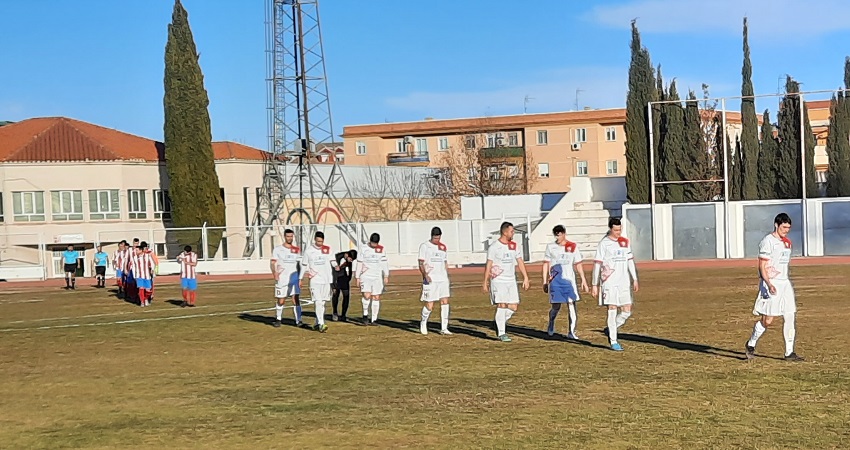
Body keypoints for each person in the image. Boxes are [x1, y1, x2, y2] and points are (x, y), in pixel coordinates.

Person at [745, 213, 804, 361]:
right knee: (768, 320)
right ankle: (751, 343)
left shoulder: (787, 243)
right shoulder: (767, 241)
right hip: (772, 283)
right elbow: (762, 265)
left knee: (790, 315)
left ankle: (789, 352)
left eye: (788, 228)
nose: (786, 230)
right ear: (776, 225)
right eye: (784, 227)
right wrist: (768, 283)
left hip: (785, 283)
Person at [591, 217, 639, 352]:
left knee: (626, 311)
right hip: (609, 282)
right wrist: (595, 284)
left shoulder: (625, 242)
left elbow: (630, 261)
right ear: (610, 229)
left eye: (620, 229)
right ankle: (613, 340)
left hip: (624, 282)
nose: (618, 232)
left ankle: (611, 328)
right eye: (616, 230)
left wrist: (634, 278)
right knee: (612, 308)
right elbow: (597, 263)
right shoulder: (604, 244)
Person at [483, 222, 530, 342]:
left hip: (511, 280)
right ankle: (502, 333)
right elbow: (488, 264)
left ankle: (499, 323)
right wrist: (485, 281)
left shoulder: (514, 246)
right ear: (505, 232)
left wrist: (525, 277)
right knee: (502, 304)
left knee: (513, 307)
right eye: (511, 231)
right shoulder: (494, 247)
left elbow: (519, 261)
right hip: (498, 280)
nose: (513, 233)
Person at [542, 225, 589, 339]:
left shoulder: (572, 246)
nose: (558, 236)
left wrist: (583, 280)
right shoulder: (550, 247)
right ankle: (551, 323)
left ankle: (571, 331)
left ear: (564, 233)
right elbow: (546, 263)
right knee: (556, 307)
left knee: (571, 304)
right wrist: (545, 281)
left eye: (560, 234)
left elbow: (578, 264)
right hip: (555, 281)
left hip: (569, 281)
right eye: (556, 234)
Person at [418, 226, 452, 335]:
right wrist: (425, 275)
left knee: (445, 302)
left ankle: (444, 327)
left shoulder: (443, 247)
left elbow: (445, 262)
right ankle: (423, 322)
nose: (437, 240)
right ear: (432, 236)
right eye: (435, 238)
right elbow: (420, 263)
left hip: (442, 279)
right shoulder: (425, 246)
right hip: (431, 279)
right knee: (430, 304)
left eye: (438, 238)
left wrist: (446, 274)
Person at [300, 231, 336, 332]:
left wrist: (336, 266)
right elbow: (304, 265)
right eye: (318, 241)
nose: (319, 243)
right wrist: (300, 278)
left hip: (326, 279)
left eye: (321, 241)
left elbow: (332, 260)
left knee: (323, 303)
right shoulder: (309, 251)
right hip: (315, 279)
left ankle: (317, 322)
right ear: (315, 240)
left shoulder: (327, 249)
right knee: (318, 302)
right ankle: (321, 324)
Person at [270, 229, 304, 328]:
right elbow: (272, 263)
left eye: (291, 236)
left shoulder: (296, 249)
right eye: (288, 236)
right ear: (285, 237)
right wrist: (274, 272)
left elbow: (299, 264)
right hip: (282, 279)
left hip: (294, 278)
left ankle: (299, 321)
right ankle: (278, 319)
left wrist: (300, 278)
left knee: (296, 299)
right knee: (281, 300)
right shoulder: (278, 249)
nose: (290, 238)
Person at [355, 233, 390, 326]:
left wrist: (386, 275)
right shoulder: (363, 248)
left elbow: (384, 262)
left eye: (376, 244)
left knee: (376, 297)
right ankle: (365, 315)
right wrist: (357, 277)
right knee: (366, 296)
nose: (374, 245)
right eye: (373, 243)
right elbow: (359, 263)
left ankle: (374, 319)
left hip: (377, 276)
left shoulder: (381, 249)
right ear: (370, 241)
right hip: (365, 275)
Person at [331, 250, 357, 322]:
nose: (351, 261)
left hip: (344, 279)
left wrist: (348, 278)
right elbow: (332, 271)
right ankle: (335, 312)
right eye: (351, 259)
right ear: (347, 255)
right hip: (336, 279)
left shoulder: (349, 260)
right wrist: (332, 285)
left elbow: (350, 270)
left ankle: (343, 315)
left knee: (346, 296)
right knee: (336, 295)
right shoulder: (336, 257)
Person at [132, 242, 157, 307]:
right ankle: (142, 302)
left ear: (141, 250)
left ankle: (146, 299)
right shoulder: (134, 258)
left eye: (137, 250)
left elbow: (152, 263)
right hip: (139, 276)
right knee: (141, 289)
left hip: (147, 276)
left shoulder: (147, 256)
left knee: (148, 290)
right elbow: (133, 267)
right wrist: (134, 276)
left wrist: (152, 269)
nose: (136, 252)